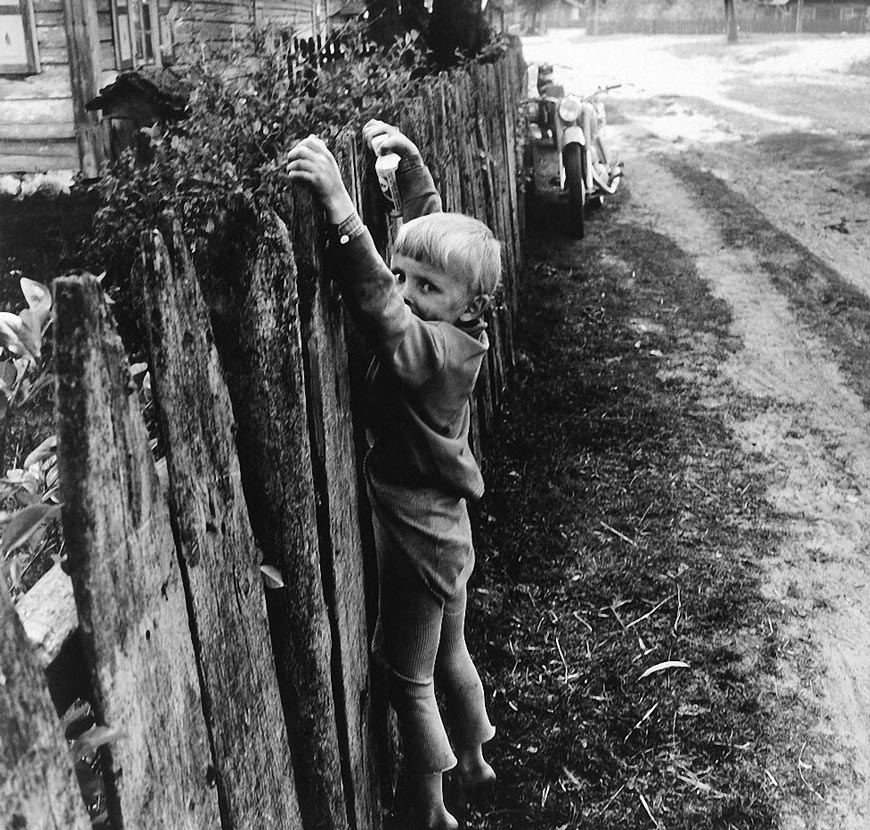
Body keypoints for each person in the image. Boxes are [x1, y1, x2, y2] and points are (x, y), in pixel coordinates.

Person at [287, 120, 499, 830]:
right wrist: (410, 173)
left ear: (465, 307)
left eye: (426, 290)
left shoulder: (433, 354)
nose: (408, 293)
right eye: (404, 279)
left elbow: (383, 311)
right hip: (447, 529)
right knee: (451, 653)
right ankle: (473, 760)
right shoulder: (464, 327)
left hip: (415, 537)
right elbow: (427, 243)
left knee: (407, 678)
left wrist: (347, 216)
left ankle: (431, 809)